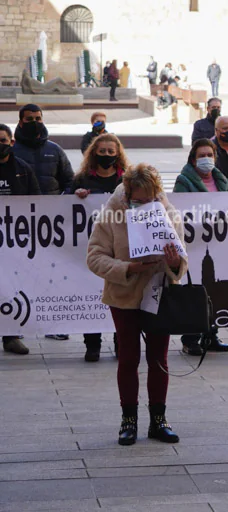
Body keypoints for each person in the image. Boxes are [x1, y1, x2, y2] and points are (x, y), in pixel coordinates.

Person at [86, 164, 187, 446]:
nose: (144, 205)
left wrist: (174, 261)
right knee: (128, 358)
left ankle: (159, 420)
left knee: (159, 359)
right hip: (123, 295)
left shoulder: (168, 212)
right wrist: (128, 267)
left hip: (158, 293)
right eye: (138, 200)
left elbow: (182, 257)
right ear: (127, 193)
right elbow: (94, 257)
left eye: (150, 199)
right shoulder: (111, 213)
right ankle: (128, 420)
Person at [66, 133, 128, 361]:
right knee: (90, 291)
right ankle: (92, 345)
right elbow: (62, 202)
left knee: (120, 296)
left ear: (118, 154)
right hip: (91, 246)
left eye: (111, 152)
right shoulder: (82, 178)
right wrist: (75, 195)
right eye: (102, 152)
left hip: (120, 246)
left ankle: (120, 342)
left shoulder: (126, 181)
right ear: (94, 153)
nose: (106, 156)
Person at [172, 139, 228, 357]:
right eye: (201, 155)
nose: (206, 159)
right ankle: (190, 338)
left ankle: (211, 335)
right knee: (194, 291)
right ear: (193, 158)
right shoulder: (184, 180)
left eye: (210, 155)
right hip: (194, 243)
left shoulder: (223, 181)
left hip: (216, 243)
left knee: (213, 289)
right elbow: (180, 209)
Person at [0, 124, 40, 356]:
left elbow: (38, 202)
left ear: (11, 143)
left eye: (3, 141)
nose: (0, 145)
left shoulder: (23, 169)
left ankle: (10, 336)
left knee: (10, 288)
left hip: (14, 241)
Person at [13, 104, 73, 196]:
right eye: (29, 119)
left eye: (38, 119)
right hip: (21, 207)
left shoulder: (55, 150)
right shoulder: (12, 151)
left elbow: (69, 181)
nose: (34, 122)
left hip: (52, 206)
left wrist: (64, 199)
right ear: (21, 123)